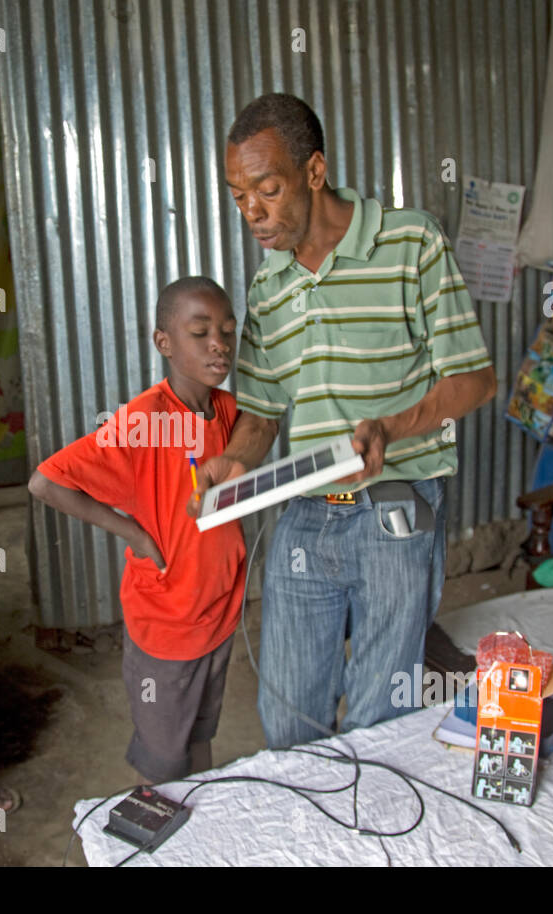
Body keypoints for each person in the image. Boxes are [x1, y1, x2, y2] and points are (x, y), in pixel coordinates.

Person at [189, 93, 498, 749]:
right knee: (288, 718)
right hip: (309, 510)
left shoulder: (409, 242)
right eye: (238, 195)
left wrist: (391, 426)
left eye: (266, 190)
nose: (252, 212)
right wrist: (233, 462)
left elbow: (474, 380)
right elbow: (265, 411)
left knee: (377, 719)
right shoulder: (269, 286)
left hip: (397, 505)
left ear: (314, 171)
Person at [29, 277, 246, 784]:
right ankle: (167, 834)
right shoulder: (145, 421)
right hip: (168, 620)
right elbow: (46, 482)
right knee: (165, 754)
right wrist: (135, 535)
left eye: (228, 331)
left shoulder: (227, 410)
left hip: (219, 609)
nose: (219, 343)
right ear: (163, 342)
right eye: (200, 332)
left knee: (200, 735)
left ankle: (202, 823)